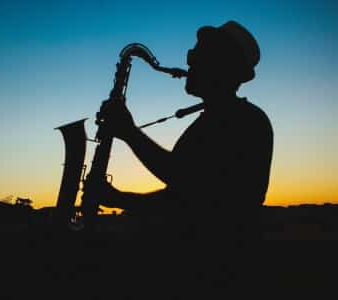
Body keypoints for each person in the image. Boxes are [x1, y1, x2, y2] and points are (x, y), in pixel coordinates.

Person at [85, 21, 273, 246]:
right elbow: (182, 194)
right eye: (191, 55)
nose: (189, 62)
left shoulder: (244, 121)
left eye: (198, 56)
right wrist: (118, 198)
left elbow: (188, 183)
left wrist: (129, 133)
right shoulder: (215, 120)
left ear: (221, 67)